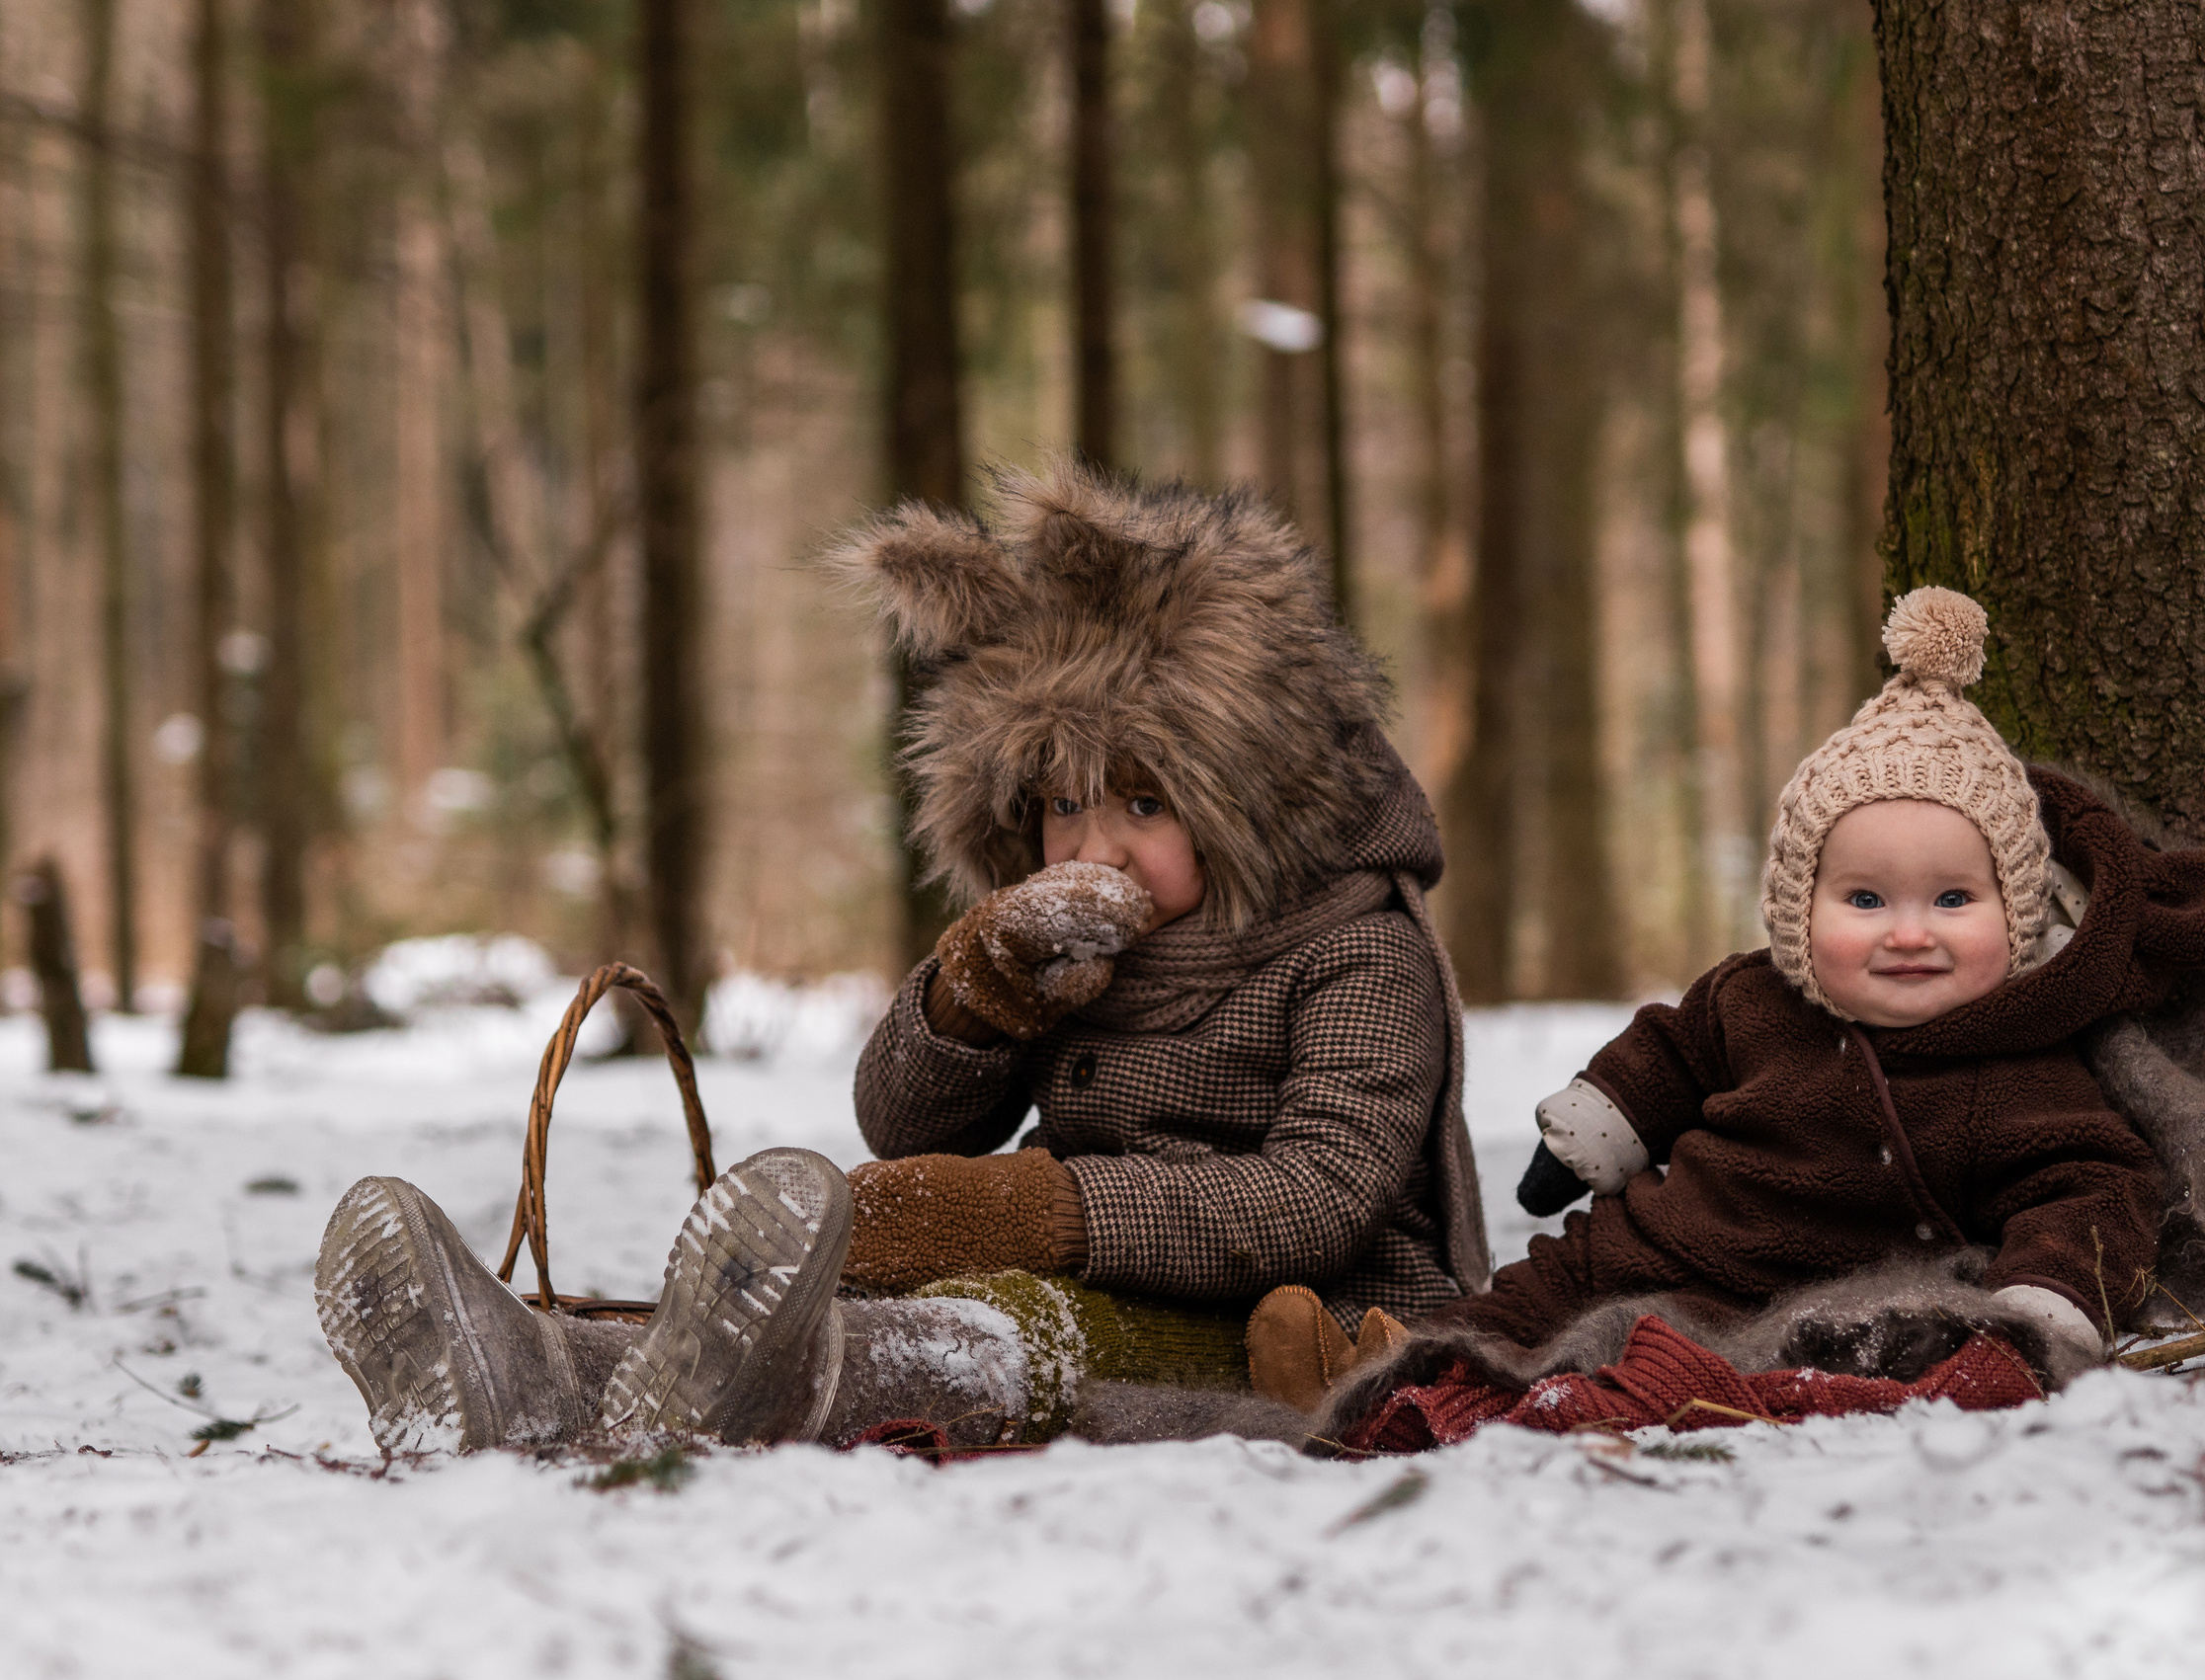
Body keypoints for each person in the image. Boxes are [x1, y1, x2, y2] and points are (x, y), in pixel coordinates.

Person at [313, 463, 1488, 1456]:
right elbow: (901, 1121)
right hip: (1100, 1277)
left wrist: (1036, 1208)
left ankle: (776, 1393)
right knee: (894, 1276)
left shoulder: (1354, 952)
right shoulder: (1085, 947)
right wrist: (976, 996)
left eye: (1144, 800)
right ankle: (533, 1363)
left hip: (1297, 1321)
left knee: (987, 1316)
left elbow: (1315, 1198)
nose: (1094, 845)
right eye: (1062, 804)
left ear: (1250, 798)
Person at [1305, 586, 2205, 1428]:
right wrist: (1599, 1121)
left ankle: (1441, 1384)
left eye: (1953, 900)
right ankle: (1398, 1360)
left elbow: (2088, 1183)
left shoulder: (2012, 1062)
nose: (1908, 932)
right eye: (1865, 899)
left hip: (1810, 1282)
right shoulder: (1754, 991)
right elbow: (1674, 1049)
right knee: (1536, 1290)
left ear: (2013, 916)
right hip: (1659, 1234)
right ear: (1798, 909)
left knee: (1645, 1347)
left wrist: (2046, 1296)